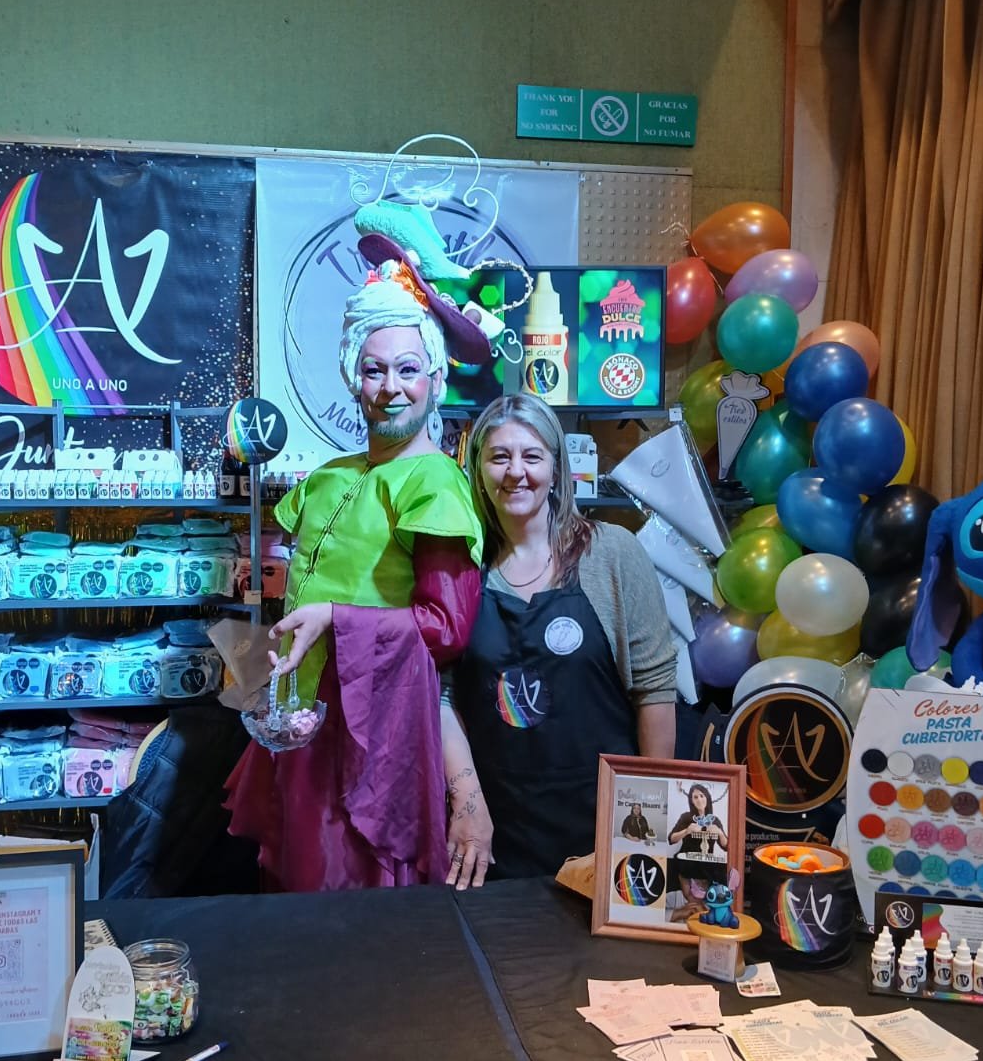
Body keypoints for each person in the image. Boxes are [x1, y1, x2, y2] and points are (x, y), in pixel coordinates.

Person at [224, 235, 491, 891]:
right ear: (354, 378)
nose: (390, 387)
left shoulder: (436, 484)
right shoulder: (332, 474)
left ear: (435, 379)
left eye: (407, 369)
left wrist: (335, 618)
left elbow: (445, 630)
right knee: (297, 889)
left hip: (375, 730)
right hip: (300, 721)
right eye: (374, 370)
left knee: (351, 900)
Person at [442, 393, 676, 886]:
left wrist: (646, 828)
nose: (516, 472)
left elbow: (655, 691)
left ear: (556, 467)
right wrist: (467, 804)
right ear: (477, 469)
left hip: (602, 827)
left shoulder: (612, 554)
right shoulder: (462, 566)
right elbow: (441, 697)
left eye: (532, 456)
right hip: (494, 831)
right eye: (499, 456)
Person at [667, 783, 728, 855]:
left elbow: (726, 846)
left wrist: (720, 833)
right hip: (685, 859)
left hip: (706, 860)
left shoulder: (714, 820)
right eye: (695, 797)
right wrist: (686, 831)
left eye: (702, 796)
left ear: (707, 798)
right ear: (692, 801)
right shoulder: (686, 817)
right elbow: (671, 839)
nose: (699, 800)